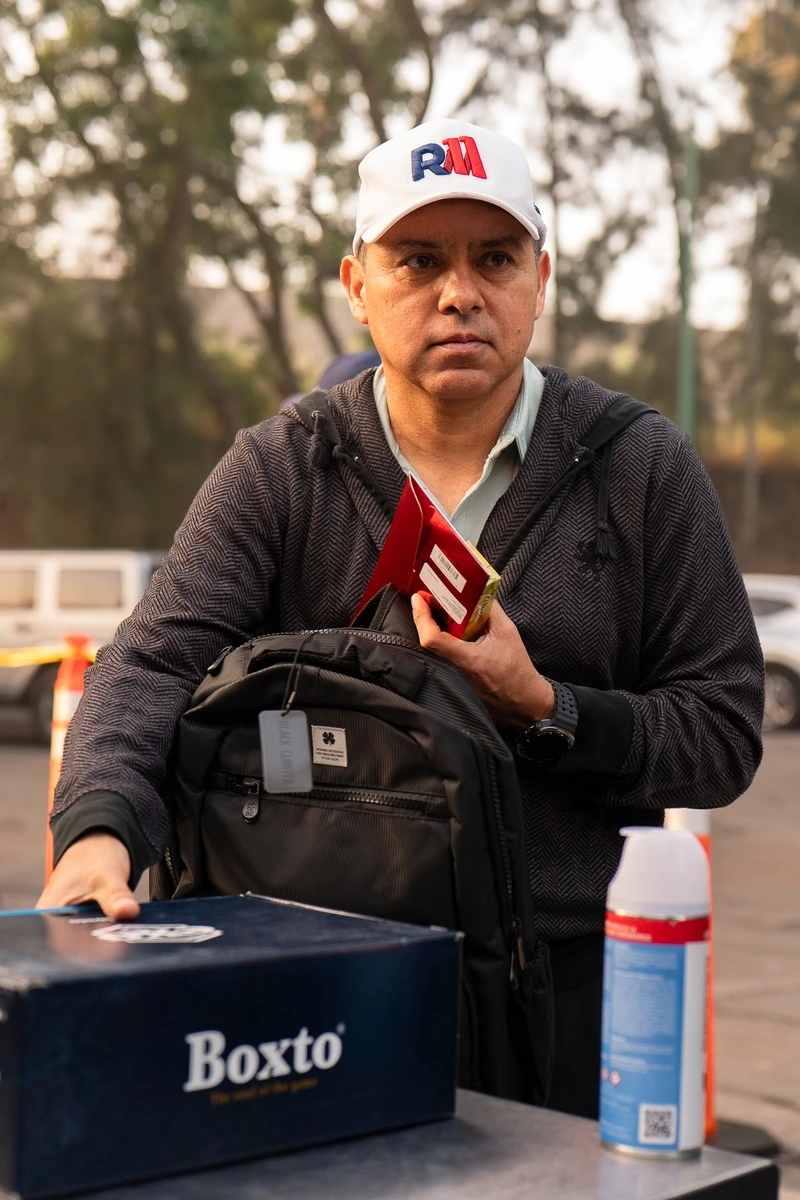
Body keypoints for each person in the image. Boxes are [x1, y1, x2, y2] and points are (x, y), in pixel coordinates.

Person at [39, 118, 764, 1119]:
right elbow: (155, 665)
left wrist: (543, 706)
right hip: (305, 982)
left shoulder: (639, 469)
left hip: (569, 1003)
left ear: (538, 279)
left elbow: (722, 731)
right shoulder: (281, 467)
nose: (458, 292)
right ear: (355, 285)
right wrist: (96, 836)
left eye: (493, 258)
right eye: (418, 260)